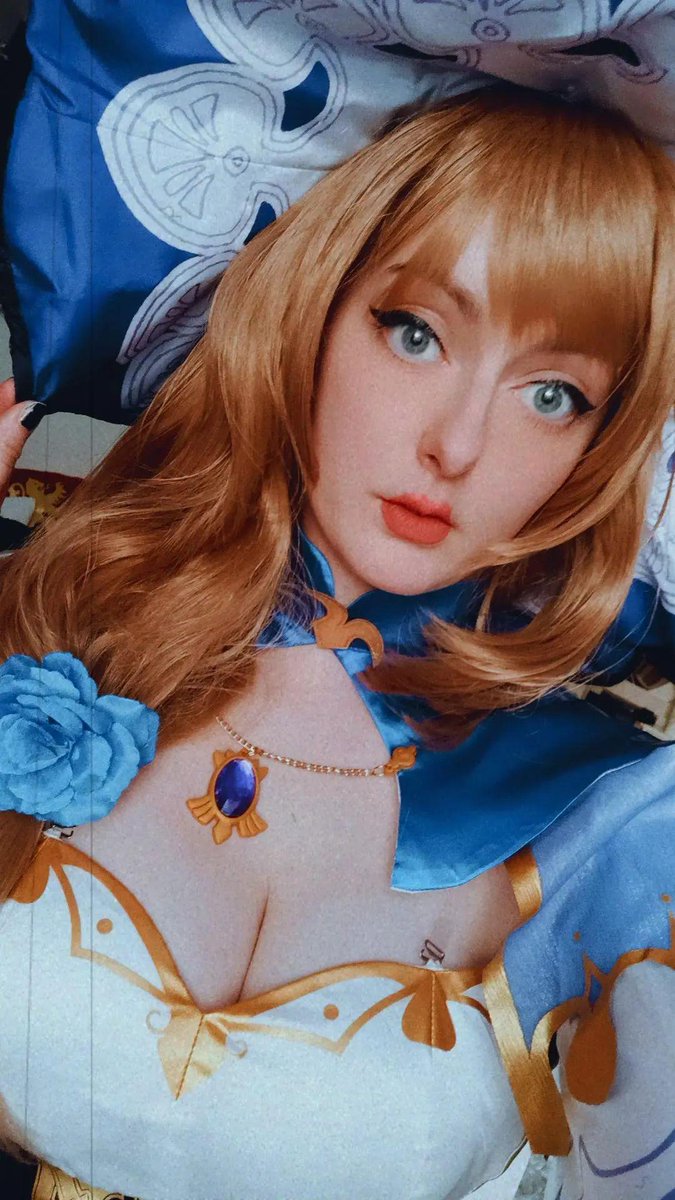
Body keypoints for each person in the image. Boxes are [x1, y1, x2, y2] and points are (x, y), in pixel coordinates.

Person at [0, 85, 674, 1200]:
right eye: (416, 333)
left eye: (553, 394)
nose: (456, 443)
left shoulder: (612, 818)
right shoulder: (65, 606)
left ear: (601, 452)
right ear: (315, 306)